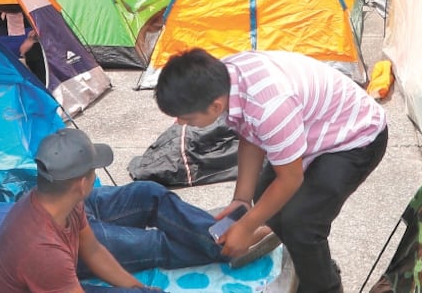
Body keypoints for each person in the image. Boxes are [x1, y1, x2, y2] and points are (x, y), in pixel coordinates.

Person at [155, 49, 389, 293]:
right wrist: (242, 200)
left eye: (187, 118)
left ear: (215, 107)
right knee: (264, 192)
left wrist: (246, 228)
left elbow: (290, 178)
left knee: (302, 224)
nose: (180, 123)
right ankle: (311, 263)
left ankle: (326, 286)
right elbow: (250, 135)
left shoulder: (269, 106)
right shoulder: (225, 77)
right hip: (316, 128)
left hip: (357, 137)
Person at [0, 149, 249, 292]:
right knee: (153, 246)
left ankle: (225, 234)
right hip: (57, 249)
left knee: (148, 193)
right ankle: (229, 247)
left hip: (65, 207)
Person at [0, 129, 154, 292]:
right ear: (82, 184)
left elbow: (93, 251)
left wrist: (140, 288)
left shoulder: (60, 201)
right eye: (93, 171)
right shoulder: (43, 249)